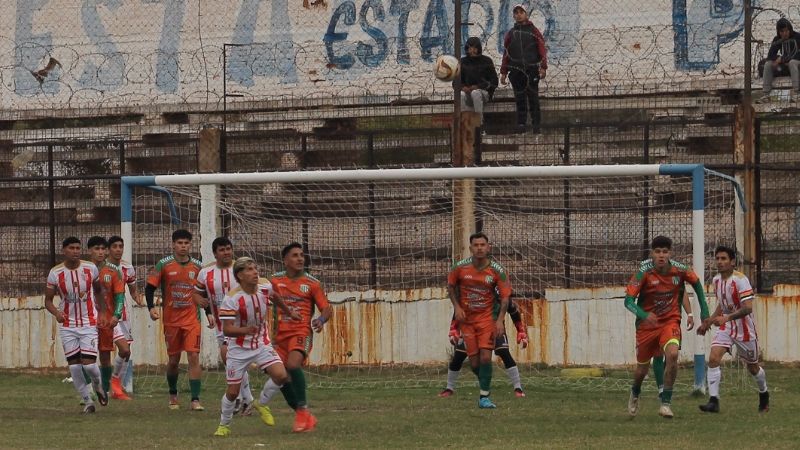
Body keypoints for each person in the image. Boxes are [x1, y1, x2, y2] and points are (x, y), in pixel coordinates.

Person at [213, 257, 305, 437]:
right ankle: (224, 425)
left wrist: (289, 312)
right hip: (238, 349)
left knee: (281, 375)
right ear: (240, 275)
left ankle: (261, 404)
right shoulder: (231, 299)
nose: (255, 272)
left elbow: (275, 296)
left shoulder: (264, 286)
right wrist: (245, 330)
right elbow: (227, 330)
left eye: (255, 268)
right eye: (249, 269)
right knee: (232, 392)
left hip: (261, 343)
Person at [624, 236, 709, 419]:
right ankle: (635, 391)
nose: (661, 255)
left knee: (672, 355)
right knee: (641, 371)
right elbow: (628, 301)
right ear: (652, 253)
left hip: (670, 321)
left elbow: (696, 283)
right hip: (646, 327)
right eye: (657, 252)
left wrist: (704, 310)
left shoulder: (680, 269)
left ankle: (665, 403)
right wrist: (644, 315)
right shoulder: (643, 272)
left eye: (665, 252)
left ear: (670, 253)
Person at [259, 242, 332, 432]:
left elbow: (326, 308)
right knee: (280, 375)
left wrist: (321, 320)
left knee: (292, 365)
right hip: (279, 337)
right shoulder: (274, 281)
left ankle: (302, 410)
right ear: (285, 260)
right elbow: (257, 292)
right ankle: (304, 415)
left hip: (301, 333)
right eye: (295, 255)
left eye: (301, 255)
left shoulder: (312, 283)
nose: (300, 258)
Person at [696, 246, 769, 413]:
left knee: (753, 368)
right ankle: (714, 401)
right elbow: (722, 305)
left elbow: (748, 308)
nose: (719, 262)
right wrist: (709, 322)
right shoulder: (716, 280)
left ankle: (764, 393)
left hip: (744, 329)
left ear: (732, 262)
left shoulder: (741, 280)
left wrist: (726, 317)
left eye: (723, 259)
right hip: (727, 327)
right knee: (713, 358)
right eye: (717, 259)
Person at [145, 229, 208, 411]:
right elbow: (149, 288)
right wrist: (151, 308)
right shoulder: (164, 264)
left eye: (186, 243)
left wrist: (209, 313)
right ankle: (173, 394)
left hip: (192, 319)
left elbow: (204, 292)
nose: (183, 246)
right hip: (171, 320)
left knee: (194, 356)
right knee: (173, 360)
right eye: (180, 243)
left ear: (191, 245)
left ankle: (195, 399)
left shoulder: (198, 267)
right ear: (173, 244)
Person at [44, 237, 108, 413]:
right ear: (64, 250)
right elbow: (48, 301)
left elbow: (98, 291)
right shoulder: (55, 273)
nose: (75, 251)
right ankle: (87, 401)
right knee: (74, 366)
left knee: (89, 365)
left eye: (78, 248)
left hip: (88, 322)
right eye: (71, 248)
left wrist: (102, 312)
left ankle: (98, 385)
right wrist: (57, 313)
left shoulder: (90, 268)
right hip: (68, 325)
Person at [448, 232, 511, 409]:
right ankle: (485, 382)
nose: (479, 248)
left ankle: (484, 397)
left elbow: (505, 298)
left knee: (485, 358)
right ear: (470, 248)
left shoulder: (497, 270)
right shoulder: (459, 268)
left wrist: (500, 320)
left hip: (487, 319)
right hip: (467, 320)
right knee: (474, 363)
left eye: (482, 245)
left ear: (488, 247)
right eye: (476, 245)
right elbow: (450, 287)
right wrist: (457, 307)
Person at [193, 237, 255, 414]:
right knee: (233, 361)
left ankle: (243, 399)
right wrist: (201, 302)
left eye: (228, 248)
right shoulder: (206, 273)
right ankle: (244, 399)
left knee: (229, 356)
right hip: (222, 326)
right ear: (215, 253)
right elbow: (196, 294)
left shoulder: (242, 269)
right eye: (222, 250)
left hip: (242, 323)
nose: (226, 252)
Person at [439, 297, 528, 398]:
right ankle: (449, 388)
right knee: (459, 355)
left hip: (495, 327)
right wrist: (454, 328)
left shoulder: (500, 294)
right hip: (472, 327)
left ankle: (518, 388)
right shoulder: (471, 293)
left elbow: (513, 310)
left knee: (504, 352)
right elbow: (459, 309)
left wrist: (520, 331)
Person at [87, 236, 132, 401]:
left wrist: (116, 315)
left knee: (125, 350)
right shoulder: (84, 269)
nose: (100, 252)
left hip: (109, 319)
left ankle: (111, 384)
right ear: (89, 251)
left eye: (103, 249)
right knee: (92, 357)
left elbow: (120, 296)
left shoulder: (113, 270)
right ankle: (92, 391)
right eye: (96, 249)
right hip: (89, 320)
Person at [500, 3, 547, 133]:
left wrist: (543, 67)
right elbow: (506, 53)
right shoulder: (511, 33)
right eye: (516, 13)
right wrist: (503, 72)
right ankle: (521, 126)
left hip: (531, 70)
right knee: (520, 99)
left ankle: (536, 127)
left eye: (521, 12)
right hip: (516, 71)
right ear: (514, 16)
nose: (519, 15)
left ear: (526, 14)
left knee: (533, 99)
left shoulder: (534, 31)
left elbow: (542, 49)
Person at [106, 235, 140, 397]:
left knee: (126, 351)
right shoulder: (100, 268)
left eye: (121, 246)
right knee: (103, 351)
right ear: (108, 249)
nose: (118, 249)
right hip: (104, 315)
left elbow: (133, 291)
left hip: (121, 315)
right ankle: (101, 386)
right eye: (114, 246)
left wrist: (143, 301)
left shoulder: (128, 268)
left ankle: (116, 384)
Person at [456, 36, 498, 128]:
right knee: (461, 95)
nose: (472, 51)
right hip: (467, 93)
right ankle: (465, 124)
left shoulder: (486, 61)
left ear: (479, 48)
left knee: (475, 93)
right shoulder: (463, 62)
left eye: (475, 48)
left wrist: (479, 86)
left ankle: (479, 125)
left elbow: (494, 81)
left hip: (483, 94)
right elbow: (455, 82)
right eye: (470, 48)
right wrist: (463, 87)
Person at [758, 18, 800, 103]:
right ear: (778, 32)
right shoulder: (777, 39)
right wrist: (778, 59)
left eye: (786, 31)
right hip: (785, 66)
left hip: (796, 65)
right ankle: (766, 95)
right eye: (782, 31)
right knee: (768, 64)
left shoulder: (797, 37)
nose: (784, 33)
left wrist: (784, 59)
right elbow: (770, 55)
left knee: (792, 62)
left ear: (790, 29)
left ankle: (797, 93)